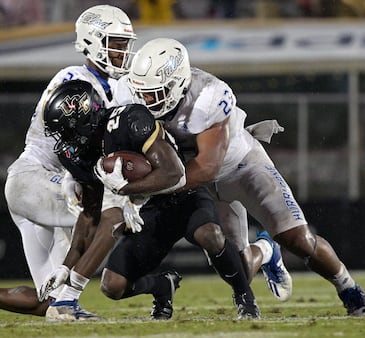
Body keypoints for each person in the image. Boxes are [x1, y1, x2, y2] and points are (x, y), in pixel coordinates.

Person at [124, 38, 365, 317]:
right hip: (197, 183)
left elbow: (208, 166)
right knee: (237, 270)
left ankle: (349, 288)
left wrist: (148, 189)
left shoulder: (208, 96)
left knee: (298, 239)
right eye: (141, 92)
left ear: (177, 84)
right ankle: (266, 250)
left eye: (152, 93)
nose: (144, 100)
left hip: (240, 167)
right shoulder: (134, 94)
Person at [0, 4, 137, 324]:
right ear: (94, 42)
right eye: (116, 44)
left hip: (59, 182)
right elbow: (66, 140)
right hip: (36, 178)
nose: (123, 52)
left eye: (124, 44)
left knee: (46, 302)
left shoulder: (118, 88)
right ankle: (70, 301)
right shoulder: (72, 80)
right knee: (107, 210)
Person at [40, 79, 260, 321]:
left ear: (87, 118)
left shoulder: (128, 121)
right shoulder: (77, 155)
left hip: (182, 197)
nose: (65, 140)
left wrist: (130, 189)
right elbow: (90, 214)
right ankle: (162, 286)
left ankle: (245, 297)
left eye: (68, 130)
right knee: (112, 286)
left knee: (211, 235)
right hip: (147, 214)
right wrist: (66, 265)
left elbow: (175, 173)